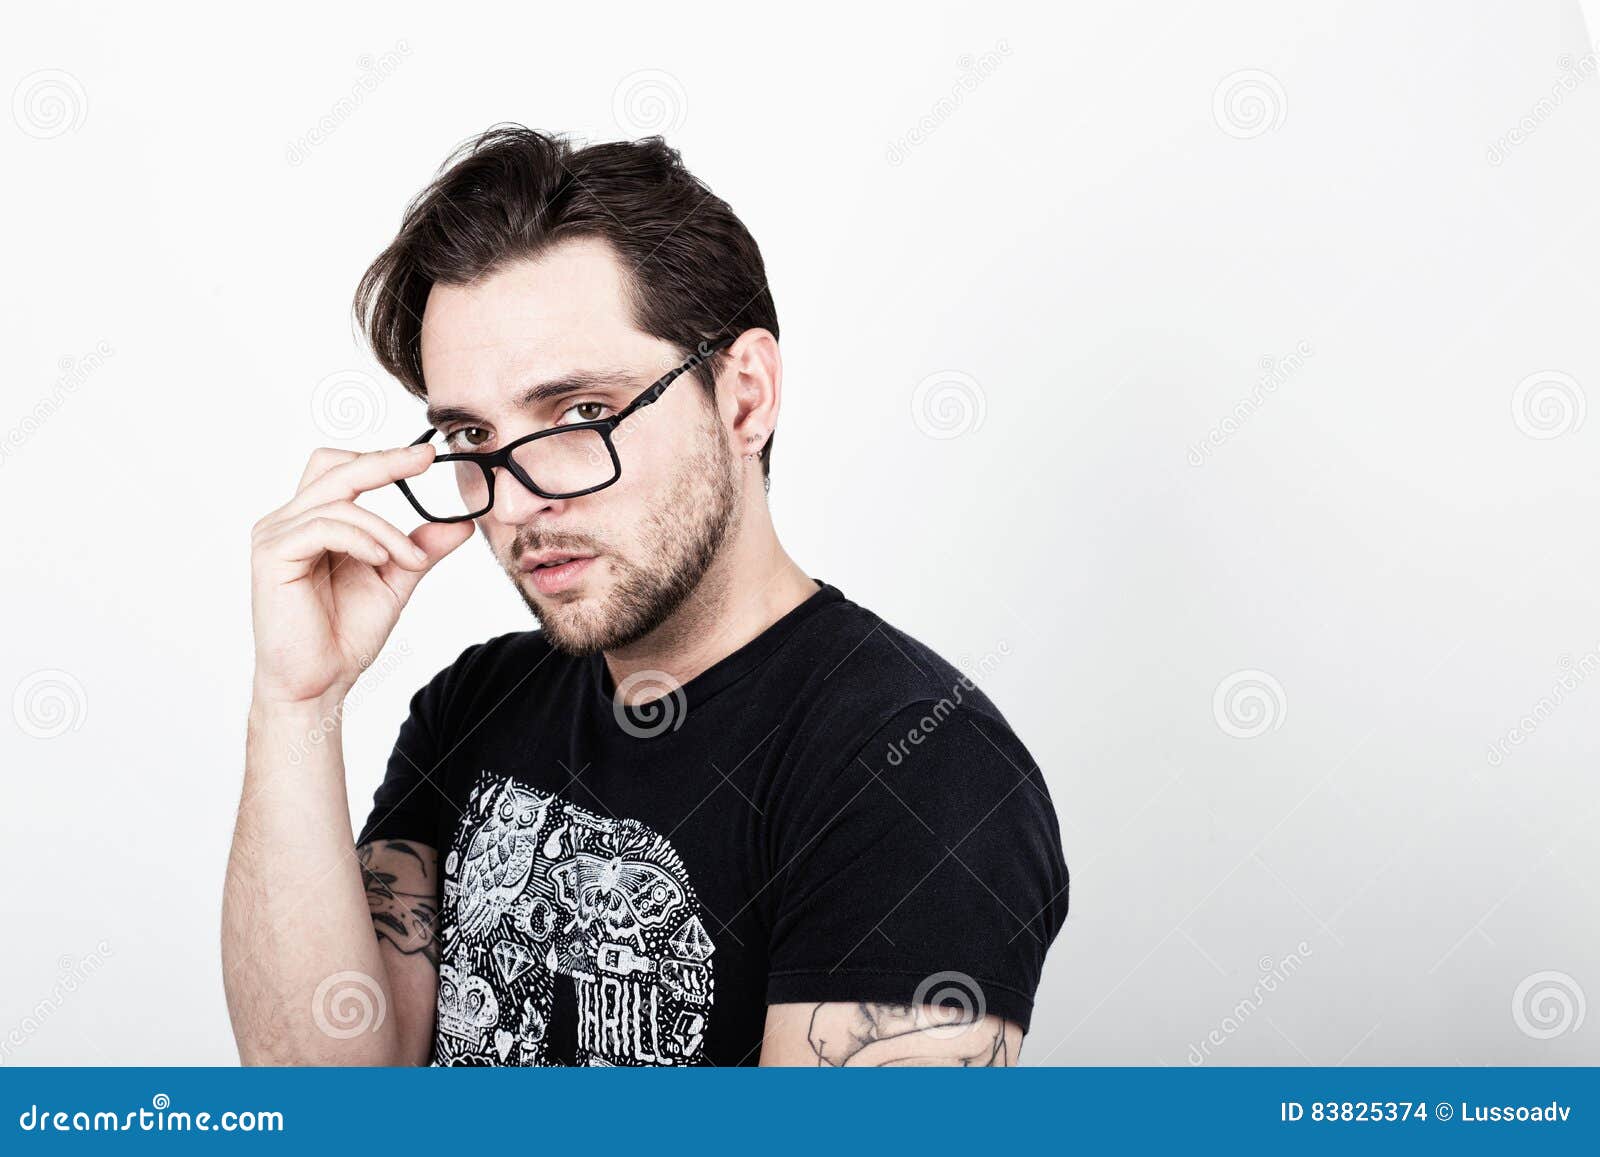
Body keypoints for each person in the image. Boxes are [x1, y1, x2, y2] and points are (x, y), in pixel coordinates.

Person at [223, 125, 1069, 1067]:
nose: (519, 497)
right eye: (470, 437)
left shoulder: (917, 766)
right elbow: (323, 1100)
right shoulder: (476, 705)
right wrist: (295, 700)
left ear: (743, 398)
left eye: (582, 414)